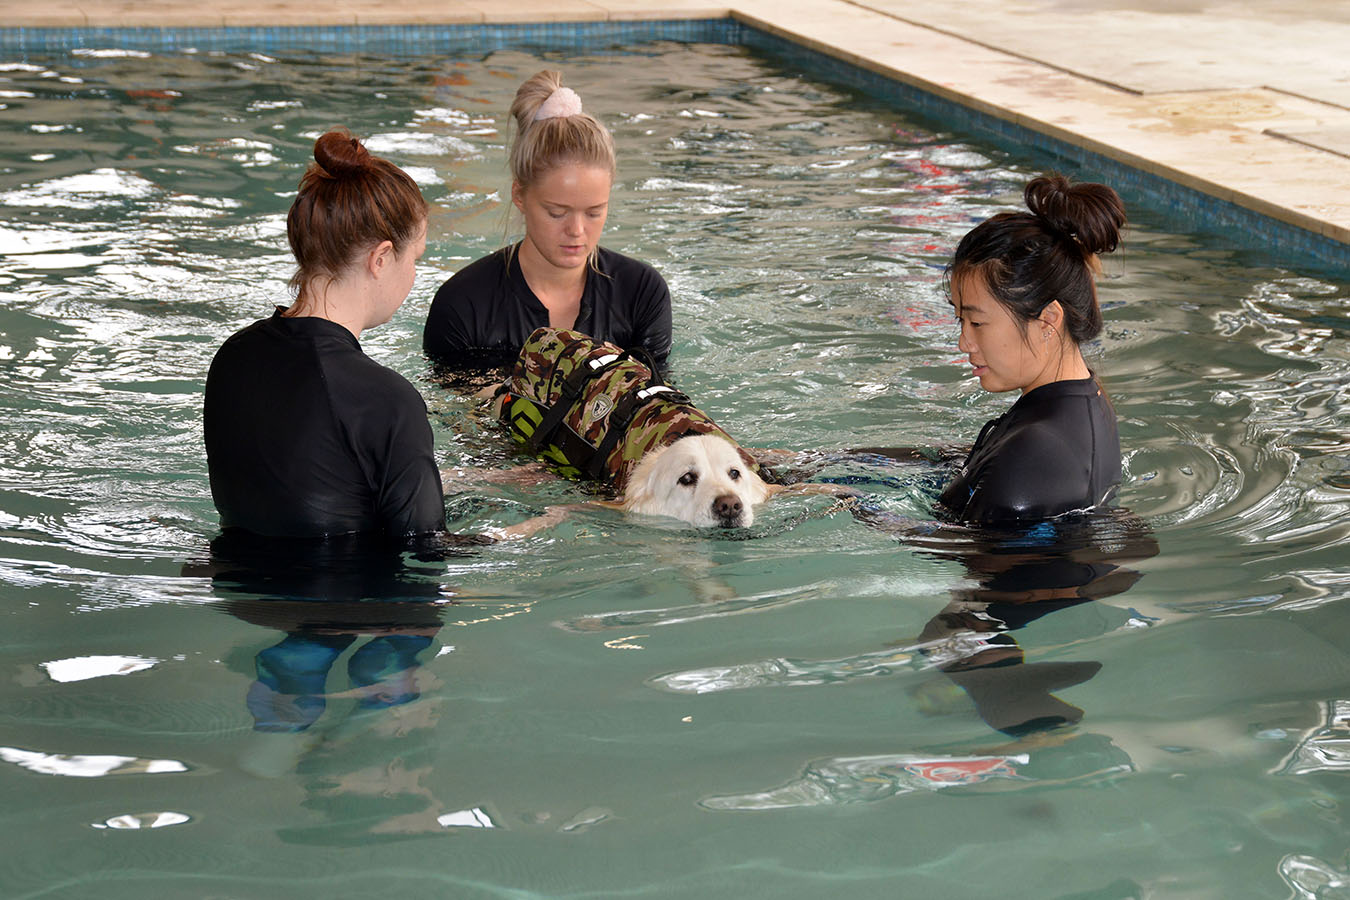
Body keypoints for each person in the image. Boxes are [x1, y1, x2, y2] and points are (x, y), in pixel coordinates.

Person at [204, 129, 445, 541]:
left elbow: (318, 477)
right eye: (415, 258)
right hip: (352, 605)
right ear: (382, 259)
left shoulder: (232, 357)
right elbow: (430, 554)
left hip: (239, 600)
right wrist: (544, 522)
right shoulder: (388, 401)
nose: (415, 275)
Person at [422, 70, 673, 372]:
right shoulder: (464, 306)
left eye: (594, 212)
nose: (577, 231)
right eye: (557, 212)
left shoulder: (641, 294)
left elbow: (658, 407)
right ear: (519, 196)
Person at [936, 174, 1127, 525]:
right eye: (960, 321)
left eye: (977, 323)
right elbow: (979, 461)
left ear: (1047, 321)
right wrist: (830, 461)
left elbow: (968, 555)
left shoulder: (1037, 449)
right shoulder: (1082, 401)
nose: (964, 342)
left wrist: (849, 501)